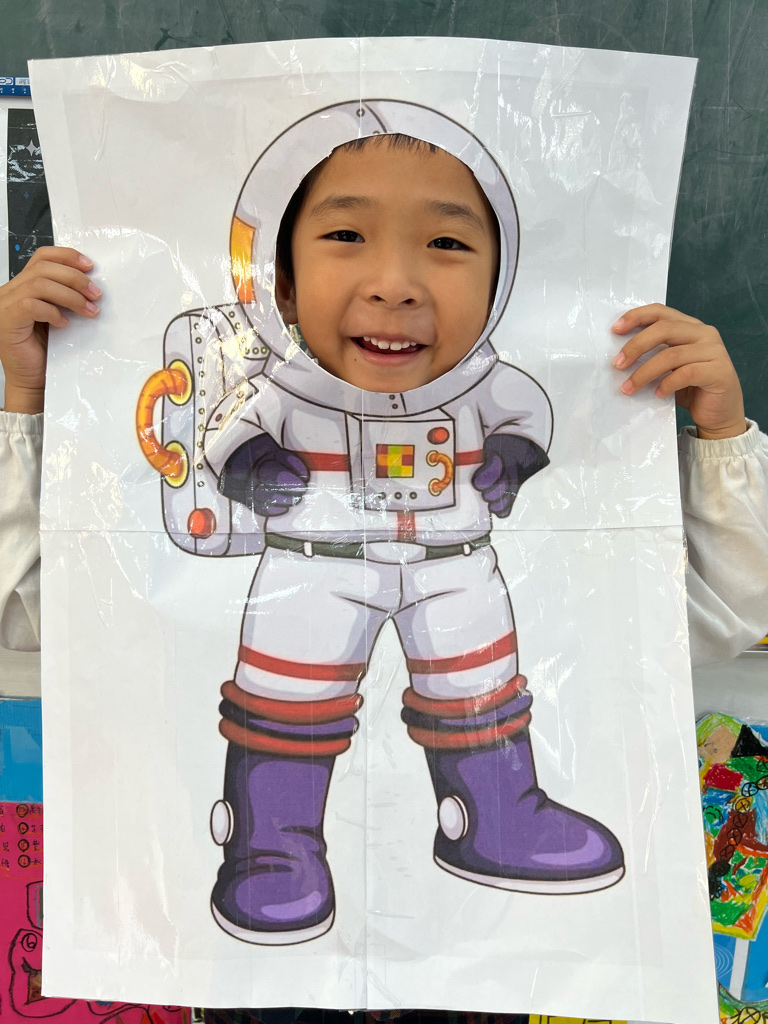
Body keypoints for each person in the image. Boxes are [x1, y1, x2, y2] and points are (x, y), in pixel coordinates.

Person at [1, 133, 767, 1002]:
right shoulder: (284, 389)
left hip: (457, 572)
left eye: (446, 241)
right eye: (345, 235)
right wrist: (38, 401)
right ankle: (271, 841)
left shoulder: (492, 383)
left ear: (506, 283)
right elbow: (40, 606)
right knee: (286, 691)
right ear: (280, 282)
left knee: (478, 682)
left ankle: (496, 815)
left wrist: (712, 433)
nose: (394, 282)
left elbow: (717, 614)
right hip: (312, 571)